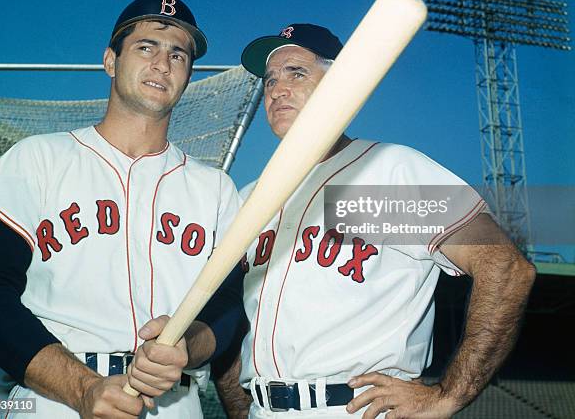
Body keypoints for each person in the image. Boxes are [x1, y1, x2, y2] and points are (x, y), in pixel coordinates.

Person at [213, 23, 536, 418]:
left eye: (297, 73)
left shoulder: (382, 174)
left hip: (351, 409)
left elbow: (505, 267)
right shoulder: (250, 199)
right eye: (270, 80)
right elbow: (229, 319)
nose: (277, 89)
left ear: (342, 83)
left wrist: (448, 395)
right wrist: (240, 408)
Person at [0, 0, 242, 418]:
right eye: (145, 47)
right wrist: (80, 387)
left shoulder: (216, 188)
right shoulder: (38, 158)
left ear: (188, 75)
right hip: (56, 396)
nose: (162, 64)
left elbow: (227, 309)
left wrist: (190, 345)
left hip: (172, 399)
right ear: (111, 61)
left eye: (178, 55)